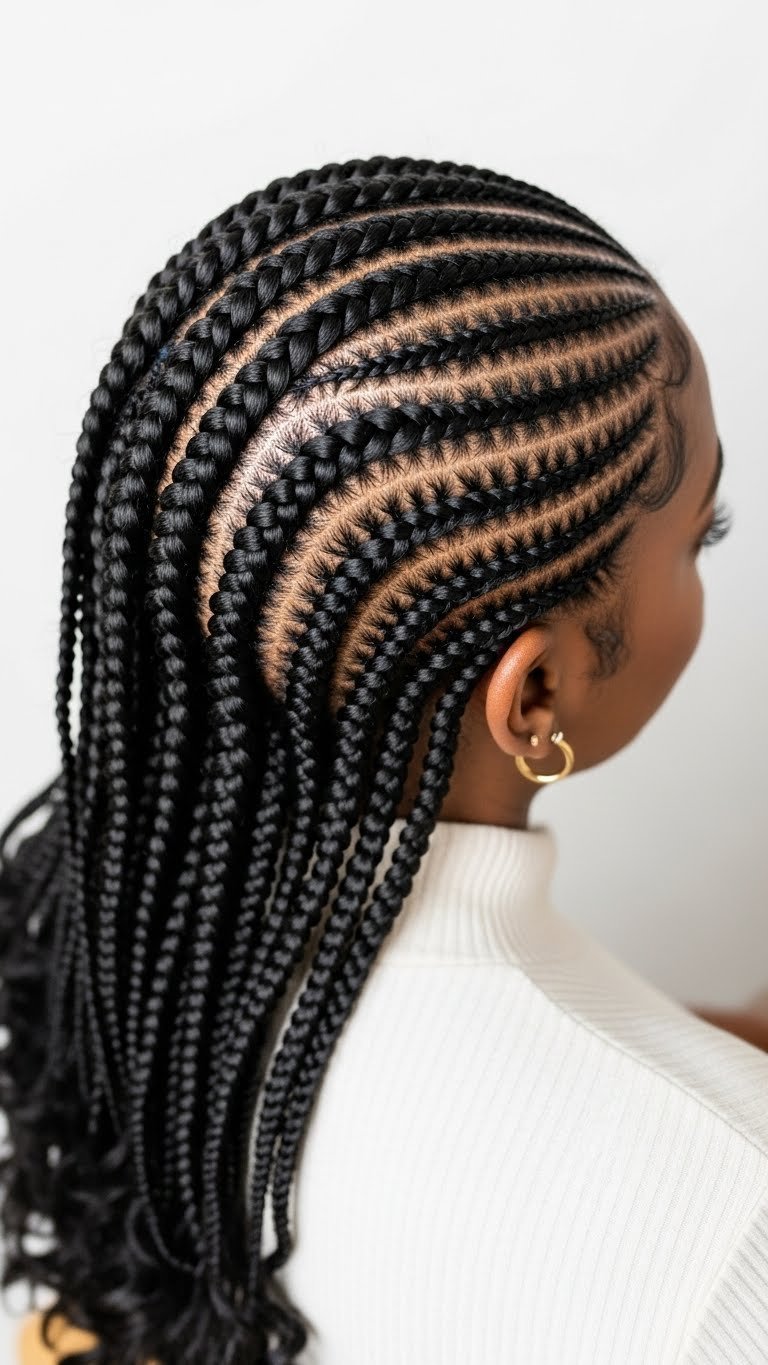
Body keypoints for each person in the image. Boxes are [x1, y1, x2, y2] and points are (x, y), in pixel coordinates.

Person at [2, 155, 767, 1365]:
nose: (711, 565)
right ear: (541, 694)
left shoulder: (101, 941)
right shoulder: (735, 1212)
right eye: (702, 534)